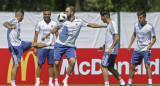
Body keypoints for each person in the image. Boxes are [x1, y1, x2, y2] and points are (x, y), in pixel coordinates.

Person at [42, 6, 107, 86]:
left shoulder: (79, 21)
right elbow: (56, 28)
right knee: (56, 63)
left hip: (70, 46)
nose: (65, 13)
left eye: (67, 11)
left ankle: (65, 79)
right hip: (59, 44)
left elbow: (91, 25)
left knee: (73, 61)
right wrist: (48, 35)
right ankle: (55, 81)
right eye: (65, 11)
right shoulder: (63, 19)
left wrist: (104, 26)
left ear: (72, 12)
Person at [3, 9, 51, 86]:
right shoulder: (14, 20)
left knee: (34, 44)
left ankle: (49, 44)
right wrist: (10, 26)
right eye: (23, 17)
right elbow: (5, 23)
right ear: (21, 16)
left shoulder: (18, 23)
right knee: (17, 65)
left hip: (20, 43)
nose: (23, 18)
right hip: (14, 46)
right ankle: (12, 84)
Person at [126, 10, 156, 86]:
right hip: (137, 49)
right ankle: (129, 83)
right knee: (132, 66)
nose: (139, 19)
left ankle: (150, 83)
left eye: (140, 18)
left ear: (144, 17)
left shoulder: (150, 26)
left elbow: (154, 38)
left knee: (147, 65)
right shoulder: (136, 25)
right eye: (138, 18)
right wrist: (130, 44)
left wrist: (149, 46)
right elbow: (134, 34)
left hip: (146, 49)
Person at [97, 10, 126, 86]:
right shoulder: (109, 25)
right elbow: (111, 39)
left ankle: (106, 84)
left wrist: (110, 48)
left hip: (110, 51)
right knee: (110, 67)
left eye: (101, 17)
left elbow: (117, 37)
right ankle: (122, 82)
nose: (101, 19)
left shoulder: (112, 24)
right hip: (111, 50)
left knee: (103, 66)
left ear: (105, 16)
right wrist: (104, 46)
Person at [34, 9, 58, 86]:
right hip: (41, 47)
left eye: (48, 14)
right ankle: (37, 82)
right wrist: (35, 47)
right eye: (45, 14)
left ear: (50, 15)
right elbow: (36, 36)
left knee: (51, 65)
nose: (47, 15)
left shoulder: (54, 23)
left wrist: (57, 46)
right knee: (39, 64)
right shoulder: (39, 23)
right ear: (43, 14)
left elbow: (57, 35)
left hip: (51, 47)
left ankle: (50, 82)